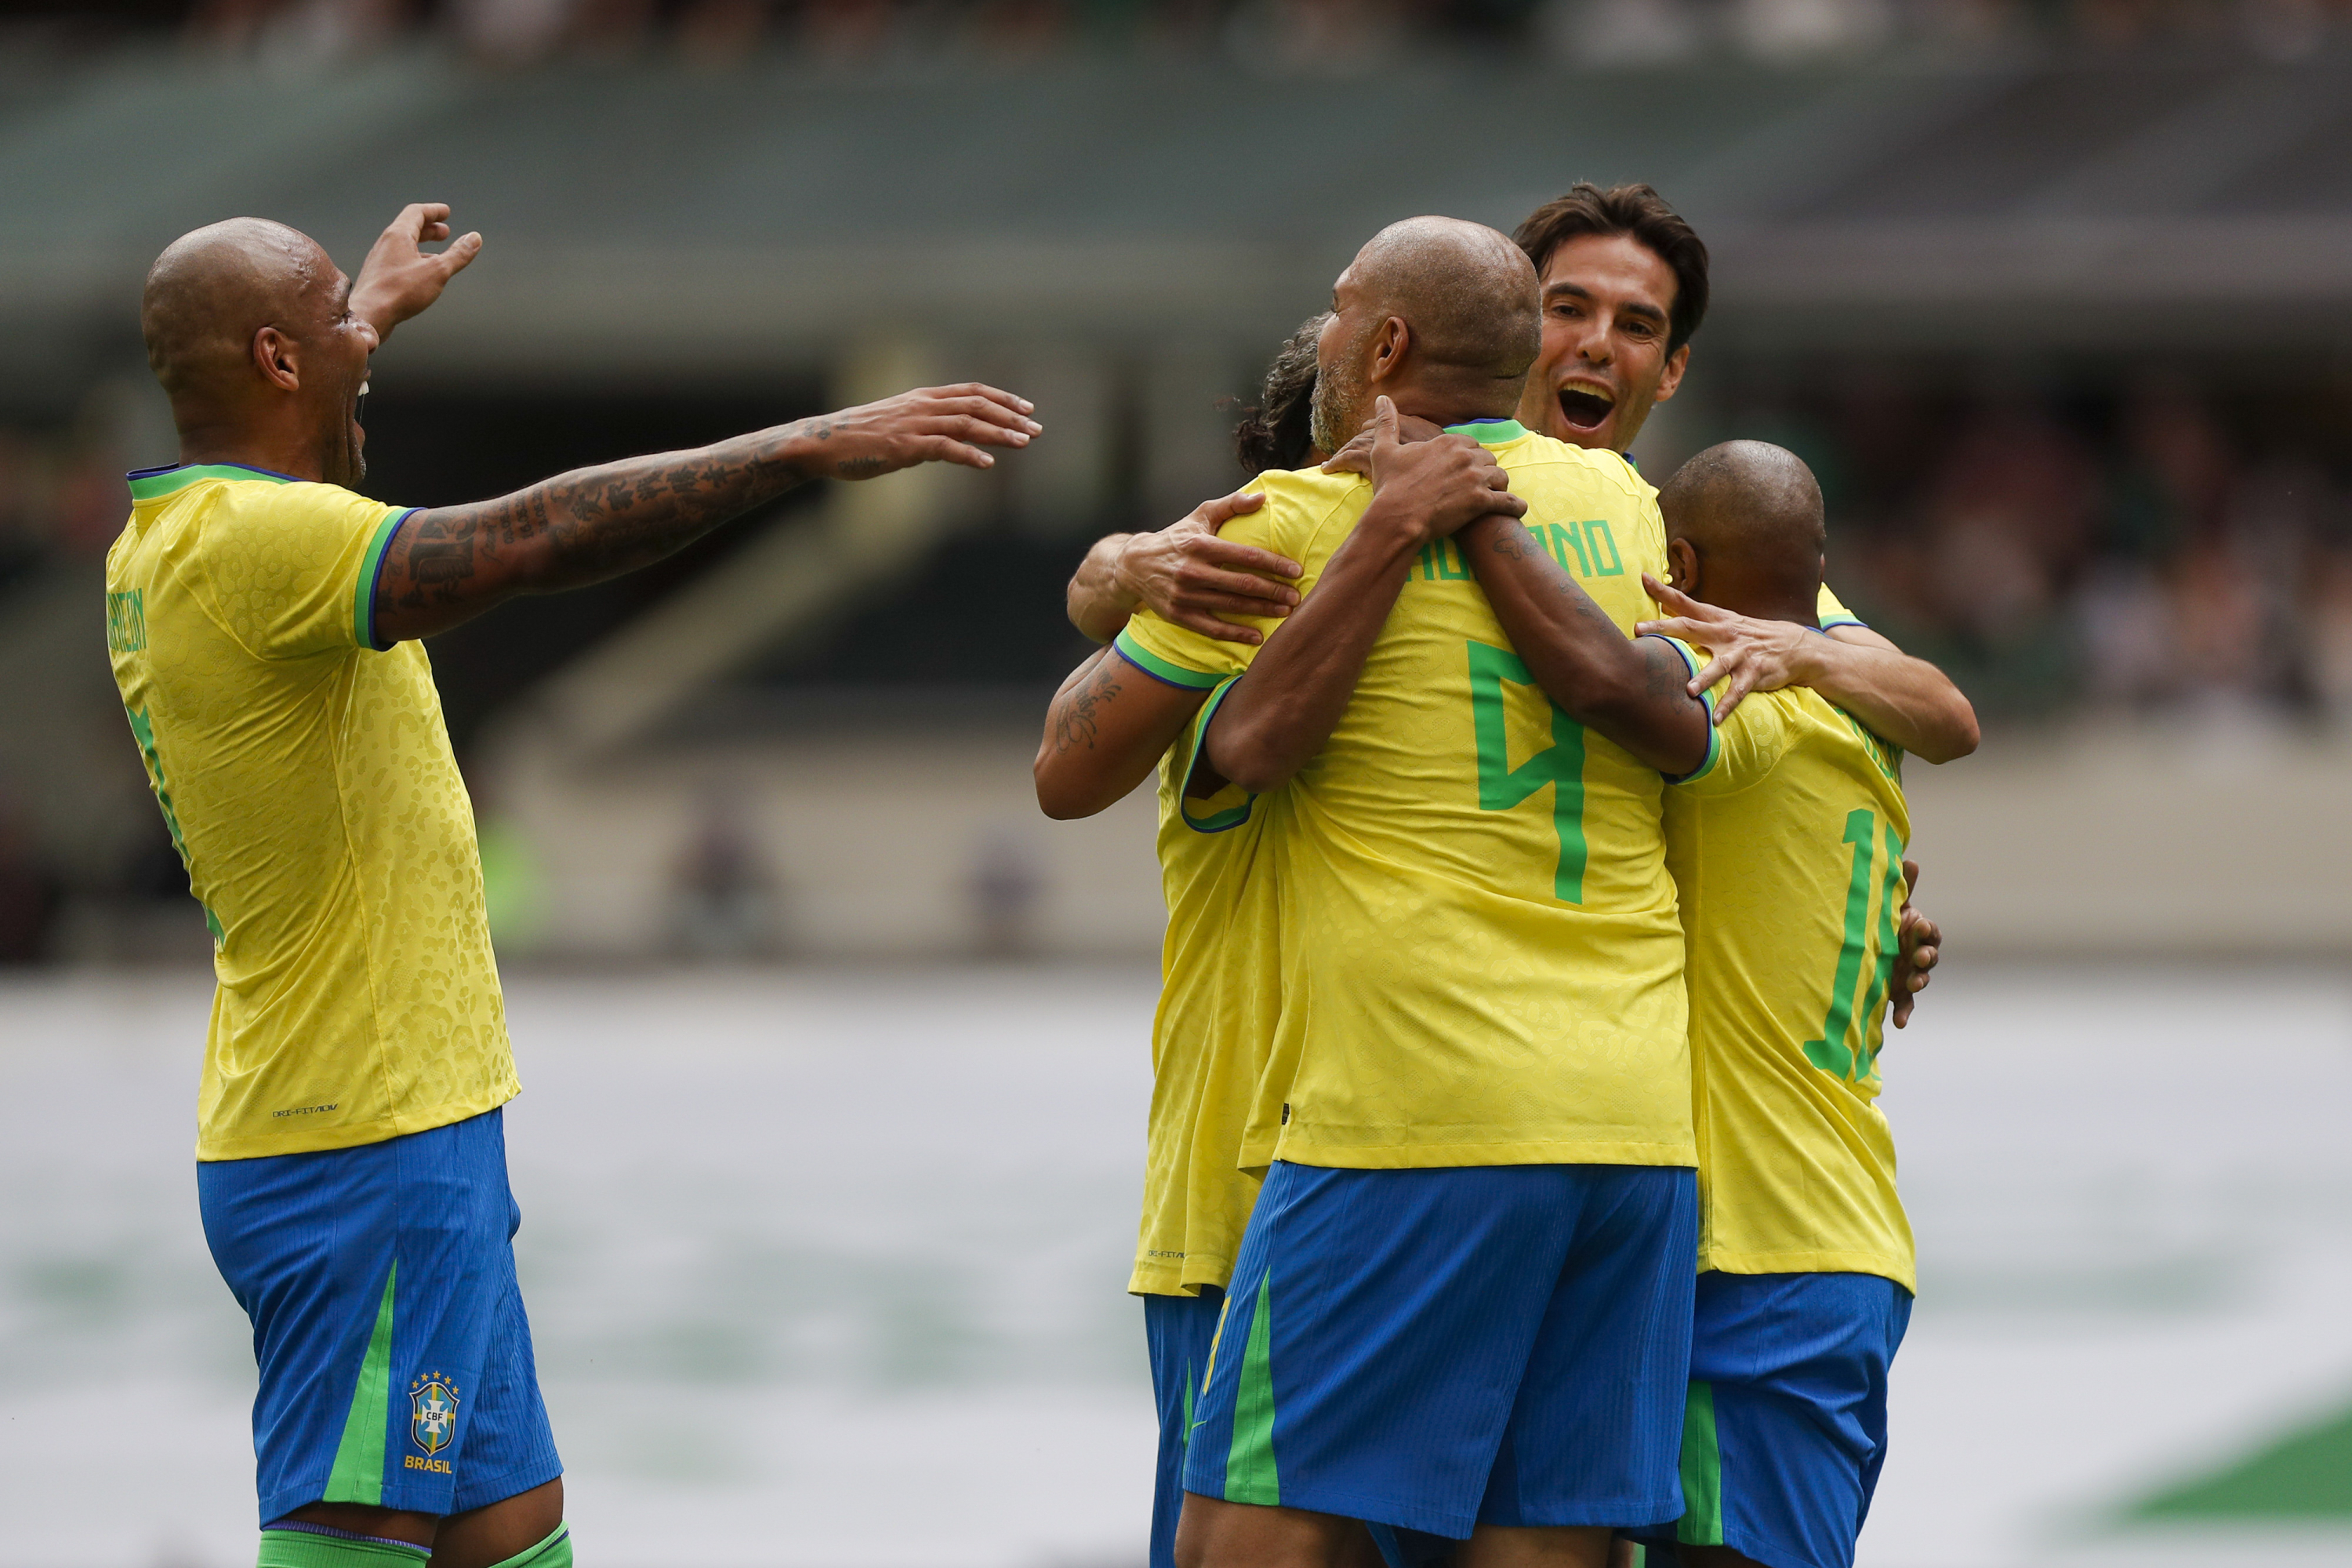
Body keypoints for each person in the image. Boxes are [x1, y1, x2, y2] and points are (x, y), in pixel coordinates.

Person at [107, 203, 1038, 1568]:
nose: (361, 352)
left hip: (414, 1142)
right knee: (353, 1530)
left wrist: (354, 318)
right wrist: (802, 444)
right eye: (332, 335)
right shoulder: (257, 547)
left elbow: (309, 412)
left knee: (503, 1531)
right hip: (357, 1154)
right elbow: (536, 538)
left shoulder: (190, 543)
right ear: (279, 360)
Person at [1632, 442, 1931, 1568]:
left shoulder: (1740, 711)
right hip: (1837, 1231)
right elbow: (1948, 710)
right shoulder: (1857, 700)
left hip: (1758, 1257)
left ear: (1680, 562)